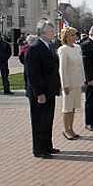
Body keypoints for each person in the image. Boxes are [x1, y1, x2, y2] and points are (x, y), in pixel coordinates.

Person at [25, 20, 61, 159]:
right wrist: (39, 93)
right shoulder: (34, 47)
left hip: (49, 90)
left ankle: (47, 146)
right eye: (51, 30)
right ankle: (39, 149)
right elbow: (33, 73)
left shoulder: (49, 46)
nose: (53, 33)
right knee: (39, 121)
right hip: (39, 93)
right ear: (43, 32)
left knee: (48, 119)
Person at [58, 27, 85, 140]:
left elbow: (81, 65)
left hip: (77, 82)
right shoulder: (63, 50)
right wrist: (65, 85)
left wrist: (83, 80)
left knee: (73, 107)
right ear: (67, 37)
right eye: (73, 35)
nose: (75, 37)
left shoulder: (78, 47)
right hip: (69, 83)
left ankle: (71, 128)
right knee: (67, 108)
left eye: (75, 35)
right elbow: (62, 69)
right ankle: (66, 129)